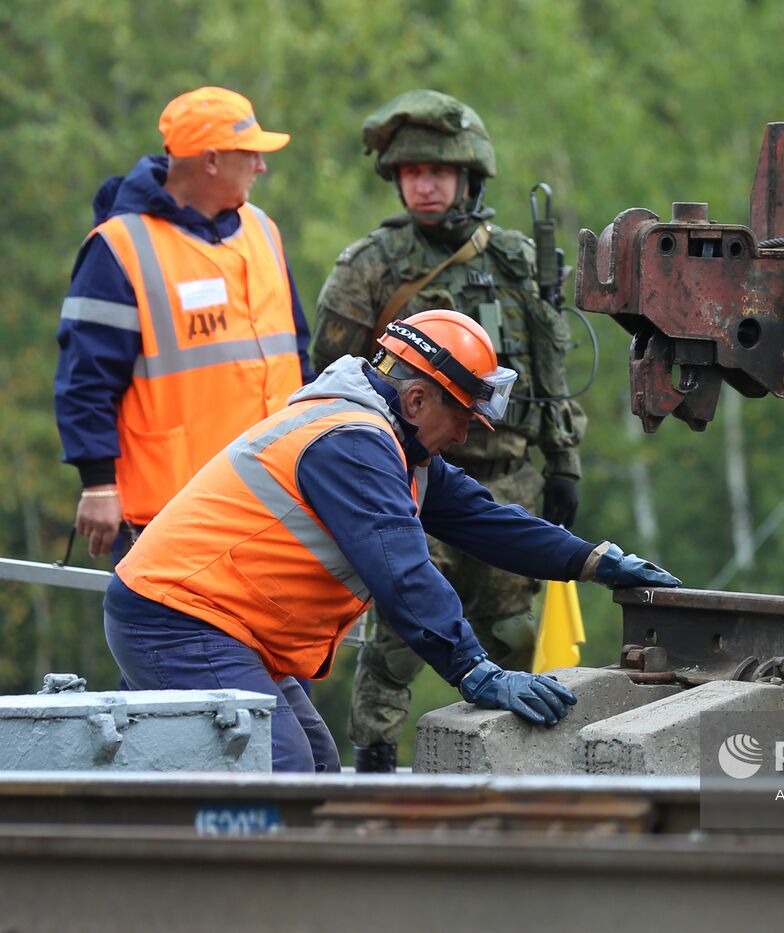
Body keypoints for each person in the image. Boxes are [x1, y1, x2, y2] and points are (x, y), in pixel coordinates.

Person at [104, 309, 678, 773]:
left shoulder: (399, 448)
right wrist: (475, 669)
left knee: (317, 767)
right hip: (177, 620)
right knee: (278, 767)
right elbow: (402, 572)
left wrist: (596, 562)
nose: (462, 436)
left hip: (220, 624)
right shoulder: (352, 443)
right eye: (461, 418)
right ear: (418, 400)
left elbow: (487, 521)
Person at [311, 89, 586, 772]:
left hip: (507, 483)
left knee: (515, 638)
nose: (423, 185)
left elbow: (549, 375)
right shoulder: (369, 265)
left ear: (469, 177)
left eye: (436, 172)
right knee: (399, 641)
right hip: (413, 479)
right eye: (409, 173)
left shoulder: (515, 260)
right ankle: (374, 764)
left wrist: (564, 463)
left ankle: (512, 766)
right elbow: (328, 381)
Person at [54, 86, 314, 562]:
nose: (262, 166)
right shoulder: (119, 247)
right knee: (176, 640)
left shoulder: (263, 229)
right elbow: (85, 380)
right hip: (170, 517)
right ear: (211, 161)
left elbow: (297, 356)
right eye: (251, 155)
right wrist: (97, 485)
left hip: (274, 503)